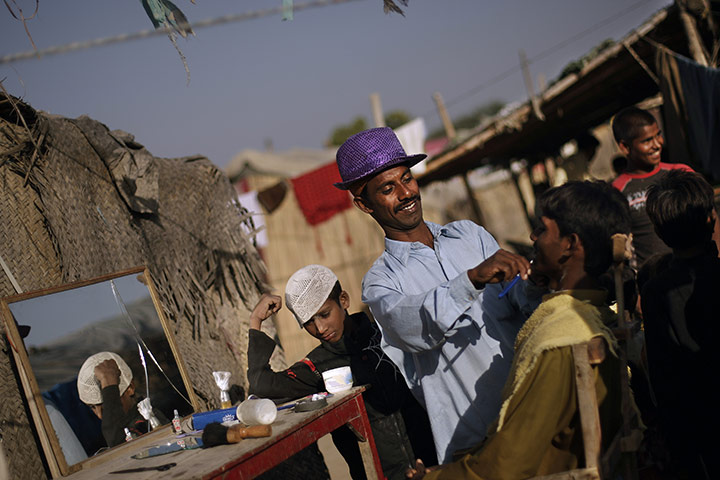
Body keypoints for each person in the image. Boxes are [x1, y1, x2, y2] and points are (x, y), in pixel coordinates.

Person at [333, 127, 541, 463]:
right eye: (388, 188)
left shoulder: (469, 235)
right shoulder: (381, 283)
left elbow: (523, 300)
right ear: (364, 204)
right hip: (475, 443)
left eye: (407, 178)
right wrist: (470, 280)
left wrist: (538, 276)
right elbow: (411, 326)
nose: (406, 193)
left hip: (533, 408)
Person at [408, 181, 630, 479]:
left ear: (570, 245)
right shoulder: (594, 314)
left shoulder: (560, 340)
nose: (532, 236)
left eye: (543, 229)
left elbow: (507, 466)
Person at [247, 264, 436, 480]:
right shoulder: (316, 367)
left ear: (343, 300)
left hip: (433, 465)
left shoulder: (388, 335)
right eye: (308, 322)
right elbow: (261, 385)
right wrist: (256, 321)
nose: (319, 329)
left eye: (324, 314)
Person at [641, 170, 719, 479]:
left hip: (703, 427)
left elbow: (665, 378)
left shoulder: (655, 291)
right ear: (711, 219)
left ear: (660, 233)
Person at [610, 107, 694, 267]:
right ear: (625, 147)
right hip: (652, 284)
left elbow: (710, 218)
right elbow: (619, 249)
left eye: (658, 135)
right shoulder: (617, 192)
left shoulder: (682, 173)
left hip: (695, 275)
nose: (657, 144)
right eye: (647, 140)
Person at [77, 352, 166, 447]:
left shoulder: (147, 421)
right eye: (92, 407)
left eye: (106, 404)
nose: (100, 415)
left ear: (130, 388)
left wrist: (109, 382)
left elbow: (118, 442)